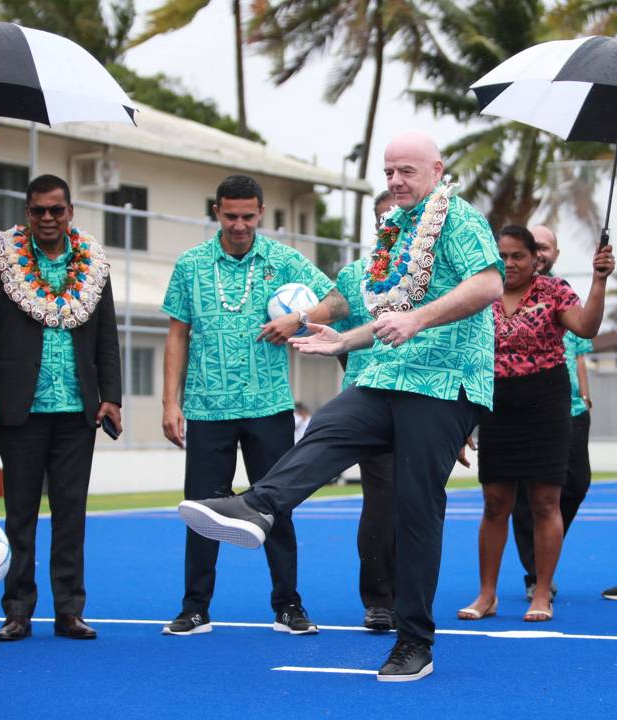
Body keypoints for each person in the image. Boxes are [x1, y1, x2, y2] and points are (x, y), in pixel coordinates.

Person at [176, 133, 505, 681]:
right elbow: (389, 309)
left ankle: (414, 642)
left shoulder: (461, 219)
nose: (396, 181)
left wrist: (420, 321)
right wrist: (343, 342)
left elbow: (490, 283)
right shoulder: (395, 233)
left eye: (407, 171)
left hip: (444, 380)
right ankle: (258, 505)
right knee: (329, 425)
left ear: (437, 170)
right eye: (389, 171)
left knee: (413, 506)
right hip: (386, 373)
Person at [161, 174, 348, 636]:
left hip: (269, 407)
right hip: (206, 409)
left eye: (248, 216)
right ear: (216, 213)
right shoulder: (190, 265)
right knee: (202, 510)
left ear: (261, 213)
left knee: (275, 507)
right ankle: (194, 608)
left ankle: (288, 606)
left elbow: (339, 302)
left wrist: (298, 319)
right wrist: (170, 402)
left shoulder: (284, 260)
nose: (240, 225)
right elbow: (176, 335)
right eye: (230, 216)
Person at [0, 174, 122, 642]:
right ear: (27, 213)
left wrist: (111, 397)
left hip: (78, 409)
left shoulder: (94, 263)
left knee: (71, 512)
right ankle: (17, 611)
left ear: (70, 211)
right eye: (38, 210)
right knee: (19, 513)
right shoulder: (1, 260)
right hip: (20, 408)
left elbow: (107, 339)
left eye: (56, 210)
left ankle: (69, 611)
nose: (48, 218)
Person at [458, 225, 613, 624]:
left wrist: (599, 282)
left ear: (534, 258)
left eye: (518, 256)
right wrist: (461, 420)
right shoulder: (481, 292)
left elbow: (586, 327)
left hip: (546, 403)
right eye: (503, 256)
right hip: (496, 405)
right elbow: (465, 357)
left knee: (545, 502)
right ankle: (487, 594)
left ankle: (541, 591)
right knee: (495, 503)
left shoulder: (555, 291)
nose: (509, 263)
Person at [510, 225, 594, 601]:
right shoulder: (505, 291)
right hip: (523, 405)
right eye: (534, 247)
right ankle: (536, 574)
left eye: (544, 247)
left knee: (575, 484)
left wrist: (586, 394)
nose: (539, 253)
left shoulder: (562, 293)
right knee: (525, 496)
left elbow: (578, 350)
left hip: (571, 407)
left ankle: (544, 554)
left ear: (554, 254)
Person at [333, 190, 396, 633]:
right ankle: (379, 600)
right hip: (371, 399)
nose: (391, 222)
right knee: (380, 500)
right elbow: (340, 340)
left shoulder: (437, 273)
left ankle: (412, 595)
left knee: (420, 502)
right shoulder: (353, 276)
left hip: (423, 399)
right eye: (383, 217)